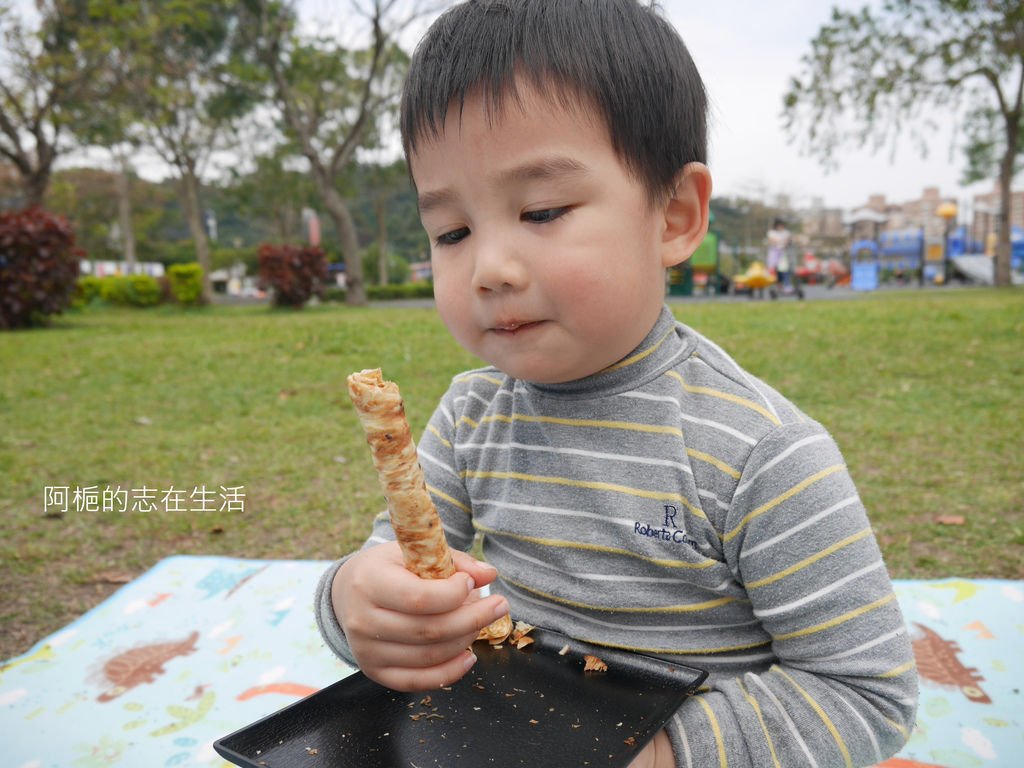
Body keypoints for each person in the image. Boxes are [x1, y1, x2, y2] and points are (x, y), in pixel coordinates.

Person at [315, 2, 918, 766]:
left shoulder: (758, 454)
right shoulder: (471, 416)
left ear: (672, 216)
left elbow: (865, 692)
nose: (490, 268)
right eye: (452, 232)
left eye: (541, 210)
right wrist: (355, 604)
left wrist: (662, 753)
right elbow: (394, 571)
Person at [766, 217, 792, 289]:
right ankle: (777, 284)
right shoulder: (771, 232)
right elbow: (771, 241)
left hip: (782, 252)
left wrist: (782, 242)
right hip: (774, 252)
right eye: (779, 225)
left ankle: (787, 285)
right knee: (773, 270)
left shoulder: (786, 233)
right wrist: (779, 242)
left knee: (784, 269)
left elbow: (787, 241)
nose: (781, 226)